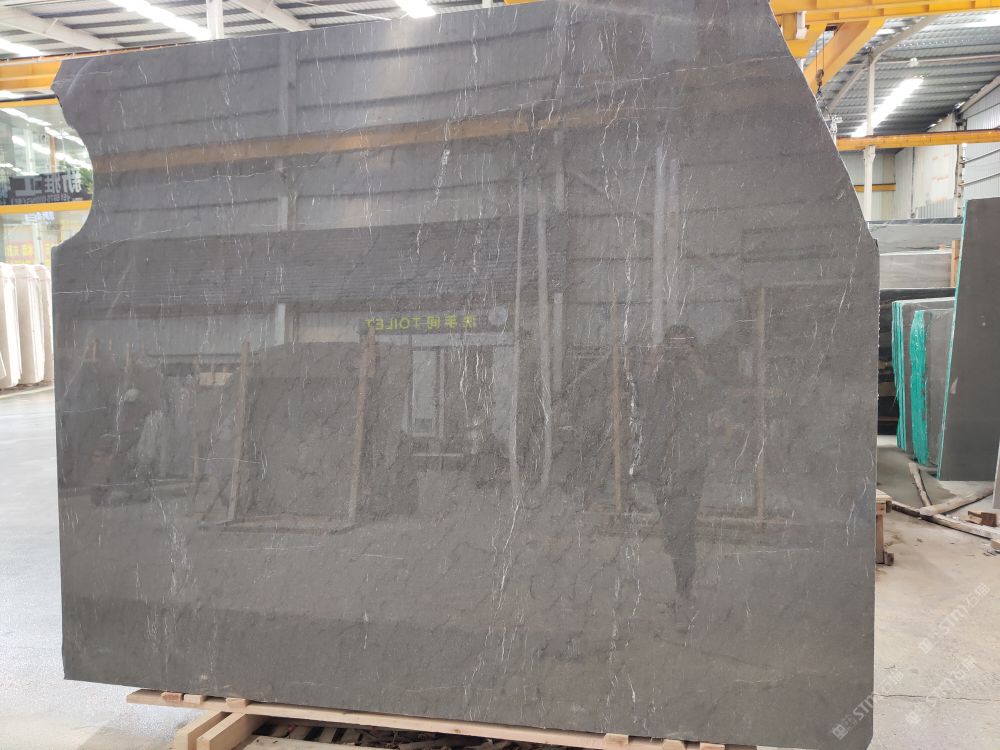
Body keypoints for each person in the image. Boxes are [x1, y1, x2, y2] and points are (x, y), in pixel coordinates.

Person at [641, 324, 708, 628]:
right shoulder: (660, 376)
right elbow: (641, 397)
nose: (678, 351)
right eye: (673, 345)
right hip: (662, 467)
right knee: (673, 531)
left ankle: (683, 593)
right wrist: (651, 362)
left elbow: (715, 398)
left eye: (685, 345)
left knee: (683, 530)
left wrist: (696, 366)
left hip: (690, 466)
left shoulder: (697, 377)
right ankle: (684, 588)